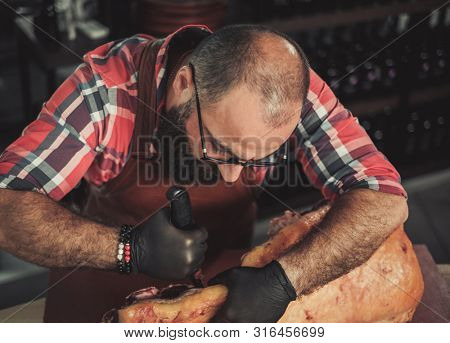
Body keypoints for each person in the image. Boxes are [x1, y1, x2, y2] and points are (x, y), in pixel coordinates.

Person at [0, 24, 407, 322]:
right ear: (182, 85)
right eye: (222, 149)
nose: (233, 177)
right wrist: (128, 248)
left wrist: (286, 279)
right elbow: (6, 205)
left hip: (228, 289)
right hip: (100, 283)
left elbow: (383, 199)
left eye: (251, 158)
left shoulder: (286, 92)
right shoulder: (104, 91)